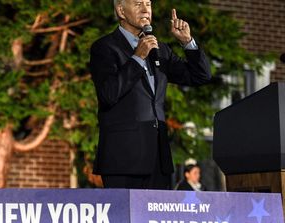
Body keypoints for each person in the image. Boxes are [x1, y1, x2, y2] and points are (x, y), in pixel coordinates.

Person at [89, 0, 213, 189]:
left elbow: (200, 76)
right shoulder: (105, 47)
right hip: (123, 160)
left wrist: (187, 42)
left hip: (157, 159)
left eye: (148, 4)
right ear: (121, 11)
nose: (146, 9)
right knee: (125, 218)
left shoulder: (160, 49)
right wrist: (137, 58)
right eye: (138, 4)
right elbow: (108, 94)